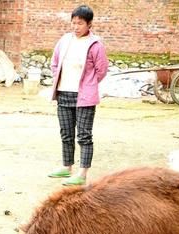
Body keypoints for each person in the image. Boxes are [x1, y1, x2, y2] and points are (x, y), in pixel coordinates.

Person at [48, 5, 108, 186]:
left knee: (84, 135)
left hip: (84, 97)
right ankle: (67, 167)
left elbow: (102, 70)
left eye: (80, 23)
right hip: (64, 93)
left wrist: (89, 85)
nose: (75, 27)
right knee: (66, 133)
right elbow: (55, 63)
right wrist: (58, 80)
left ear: (89, 24)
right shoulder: (65, 40)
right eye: (73, 23)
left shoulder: (95, 45)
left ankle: (82, 173)